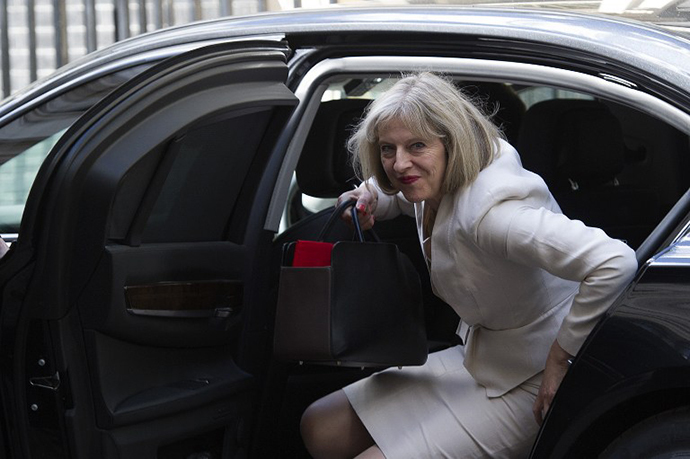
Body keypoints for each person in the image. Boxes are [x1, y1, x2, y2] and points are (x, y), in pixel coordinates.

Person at [299, 72, 638, 459]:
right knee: (320, 424)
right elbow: (402, 192)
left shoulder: (496, 216)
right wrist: (370, 196)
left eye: (417, 145)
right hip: (482, 357)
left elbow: (614, 261)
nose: (399, 163)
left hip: (535, 376)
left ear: (450, 143)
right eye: (387, 149)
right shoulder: (434, 178)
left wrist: (561, 359)